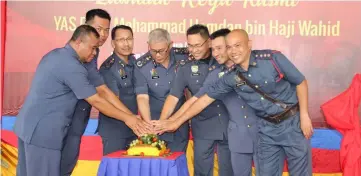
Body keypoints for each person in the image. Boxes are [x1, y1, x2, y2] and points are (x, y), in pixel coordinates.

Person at [155, 29, 314, 176]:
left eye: (237, 45)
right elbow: (202, 100)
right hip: (266, 130)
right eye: (229, 47)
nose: (233, 51)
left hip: (292, 123)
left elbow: (300, 82)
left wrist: (304, 116)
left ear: (249, 44)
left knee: (300, 172)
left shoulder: (272, 59)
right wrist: (175, 122)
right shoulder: (230, 77)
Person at [14, 25, 150, 176]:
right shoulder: (71, 65)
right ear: (78, 42)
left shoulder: (57, 55)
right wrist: (128, 118)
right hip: (44, 133)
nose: (94, 53)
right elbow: (96, 100)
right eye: (92, 48)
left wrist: (131, 117)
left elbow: (102, 91)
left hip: (29, 128)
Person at [60, 9, 146, 176]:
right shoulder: (94, 62)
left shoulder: (132, 61)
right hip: (70, 122)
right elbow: (104, 95)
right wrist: (132, 118)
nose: (103, 34)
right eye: (99, 29)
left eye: (106, 30)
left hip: (87, 123)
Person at [159, 25, 232, 176]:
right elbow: (173, 97)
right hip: (203, 128)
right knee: (202, 171)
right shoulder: (186, 67)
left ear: (209, 42)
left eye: (198, 45)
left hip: (229, 127)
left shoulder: (223, 60)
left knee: (229, 171)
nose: (194, 50)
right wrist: (162, 122)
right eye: (190, 45)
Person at [133, 28, 190, 152]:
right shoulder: (141, 65)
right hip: (154, 123)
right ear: (148, 45)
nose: (157, 55)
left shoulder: (184, 56)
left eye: (161, 51)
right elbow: (142, 97)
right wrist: (149, 126)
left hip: (178, 123)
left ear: (170, 45)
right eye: (153, 51)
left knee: (177, 163)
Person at [97, 25, 138, 155]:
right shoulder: (108, 68)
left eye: (129, 39)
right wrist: (132, 119)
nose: (126, 44)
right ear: (113, 43)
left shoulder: (135, 62)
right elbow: (112, 100)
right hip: (115, 130)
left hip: (134, 128)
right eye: (121, 40)